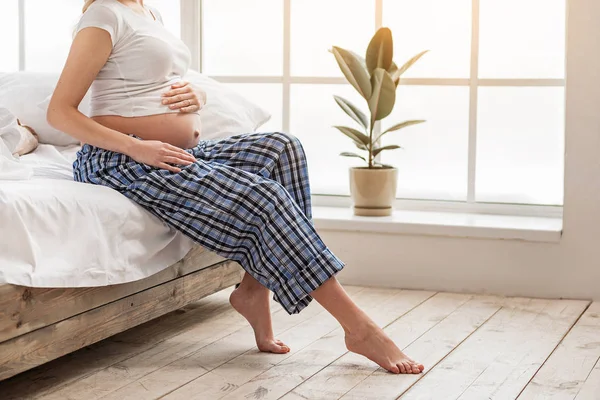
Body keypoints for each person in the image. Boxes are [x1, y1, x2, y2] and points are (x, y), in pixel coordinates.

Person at [47, 0, 424, 375]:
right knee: (264, 197)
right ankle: (359, 328)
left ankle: (253, 290)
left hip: (174, 151)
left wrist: (200, 98)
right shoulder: (104, 14)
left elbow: (152, 86)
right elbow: (59, 111)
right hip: (121, 159)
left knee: (281, 149)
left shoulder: (147, 12)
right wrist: (135, 146)